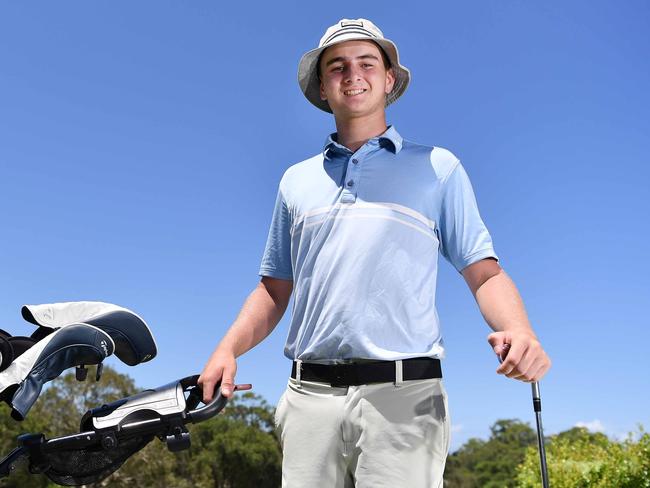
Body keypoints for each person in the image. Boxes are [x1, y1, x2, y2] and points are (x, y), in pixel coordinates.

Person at [198, 18, 551, 487]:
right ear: (323, 87)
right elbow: (274, 288)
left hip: (404, 399)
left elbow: (484, 273)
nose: (353, 74)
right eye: (337, 67)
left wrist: (519, 329)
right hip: (308, 399)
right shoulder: (295, 182)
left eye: (367, 63)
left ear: (389, 80)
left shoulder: (438, 168)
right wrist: (227, 348)